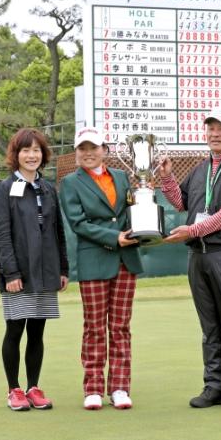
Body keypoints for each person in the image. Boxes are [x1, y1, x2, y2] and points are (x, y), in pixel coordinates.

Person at [159, 107, 221, 411]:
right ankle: (214, 386)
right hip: (198, 257)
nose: (214, 134)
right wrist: (167, 178)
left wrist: (193, 229)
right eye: (210, 128)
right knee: (210, 327)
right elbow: (180, 202)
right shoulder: (201, 169)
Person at [59, 126, 143, 410]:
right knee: (94, 327)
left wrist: (145, 199)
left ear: (104, 150)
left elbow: (131, 210)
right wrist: (114, 237)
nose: (88, 153)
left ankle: (120, 387)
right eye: (82, 149)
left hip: (125, 260)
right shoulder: (70, 183)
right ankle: (93, 387)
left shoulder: (121, 177)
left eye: (93, 148)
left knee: (120, 327)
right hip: (94, 259)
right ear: (76, 153)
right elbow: (78, 223)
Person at [0, 128, 69, 411]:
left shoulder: (48, 188)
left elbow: (58, 231)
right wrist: (11, 273)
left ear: (43, 155)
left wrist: (62, 268)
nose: (31, 155)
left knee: (37, 332)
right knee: (14, 331)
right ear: (16, 154)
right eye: (26, 150)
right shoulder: (4, 189)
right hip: (19, 273)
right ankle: (13, 390)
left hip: (46, 272)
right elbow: (1, 235)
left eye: (36, 150)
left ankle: (33, 388)